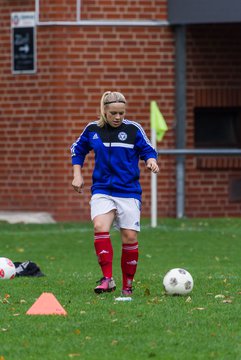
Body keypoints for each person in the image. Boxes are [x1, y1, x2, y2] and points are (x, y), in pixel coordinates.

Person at [71, 91, 159, 296]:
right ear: (104, 111)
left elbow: (148, 149)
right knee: (100, 226)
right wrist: (77, 175)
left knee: (129, 237)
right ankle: (107, 279)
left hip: (128, 191)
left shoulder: (133, 129)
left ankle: (127, 287)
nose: (118, 117)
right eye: (113, 113)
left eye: (121, 112)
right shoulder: (92, 130)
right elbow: (78, 149)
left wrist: (151, 161)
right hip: (102, 189)